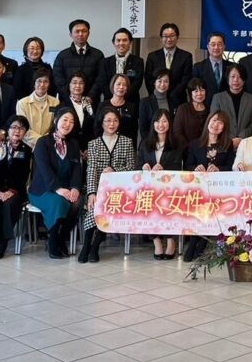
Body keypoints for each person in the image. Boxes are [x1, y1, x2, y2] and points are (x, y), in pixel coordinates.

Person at [80, 108, 136, 263]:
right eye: (108, 121)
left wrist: (114, 170)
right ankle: (86, 245)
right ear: (101, 123)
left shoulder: (126, 141)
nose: (112, 124)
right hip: (99, 189)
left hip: (121, 190)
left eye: (115, 120)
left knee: (107, 207)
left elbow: (132, 167)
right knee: (94, 206)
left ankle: (95, 246)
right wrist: (92, 193)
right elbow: (91, 170)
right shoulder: (94, 144)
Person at [29, 108, 83, 259]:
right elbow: (44, 169)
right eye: (65, 120)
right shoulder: (43, 142)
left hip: (66, 189)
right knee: (59, 202)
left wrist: (75, 188)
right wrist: (58, 188)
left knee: (78, 202)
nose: (68, 124)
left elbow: (76, 169)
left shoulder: (73, 144)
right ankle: (53, 241)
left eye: (72, 122)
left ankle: (62, 238)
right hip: (42, 190)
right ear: (56, 120)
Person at [183, 110, 235, 261]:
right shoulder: (195, 144)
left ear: (224, 127)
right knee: (200, 211)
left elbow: (230, 167)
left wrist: (219, 169)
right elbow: (188, 165)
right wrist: (196, 168)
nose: (216, 124)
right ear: (208, 121)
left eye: (220, 122)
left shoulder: (227, 144)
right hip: (199, 190)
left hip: (219, 191)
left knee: (213, 211)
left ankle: (200, 245)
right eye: (214, 120)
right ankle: (194, 242)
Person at [0, 115, 32, 260]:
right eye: (14, 127)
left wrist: (11, 191)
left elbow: (24, 175)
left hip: (15, 191)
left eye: (21, 128)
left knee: (10, 204)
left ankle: (3, 242)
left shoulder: (26, 150)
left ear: (25, 132)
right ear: (7, 130)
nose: (17, 131)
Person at [138, 109, 183, 260]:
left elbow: (178, 167)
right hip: (149, 187)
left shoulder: (176, 143)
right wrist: (144, 167)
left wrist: (163, 170)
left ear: (170, 124)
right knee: (148, 202)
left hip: (170, 187)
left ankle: (170, 240)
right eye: (157, 121)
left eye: (164, 121)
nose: (161, 124)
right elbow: (138, 164)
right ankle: (156, 241)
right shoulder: (145, 143)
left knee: (169, 203)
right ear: (153, 124)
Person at [53, 19, 105, 100]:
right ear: (70, 34)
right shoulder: (62, 56)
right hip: (67, 101)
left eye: (84, 31)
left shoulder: (98, 55)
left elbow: (101, 78)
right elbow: (58, 80)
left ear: (88, 33)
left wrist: (90, 96)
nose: (80, 34)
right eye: (77, 31)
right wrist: (70, 97)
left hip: (92, 101)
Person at [144, 23, 194, 105]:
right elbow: (148, 79)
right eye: (165, 36)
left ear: (177, 37)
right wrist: (158, 94)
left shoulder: (186, 56)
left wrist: (172, 95)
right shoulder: (152, 56)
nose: (169, 39)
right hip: (156, 99)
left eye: (172, 36)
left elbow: (186, 79)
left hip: (178, 99)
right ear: (161, 38)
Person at [210, 64, 252, 146]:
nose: (236, 80)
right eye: (232, 76)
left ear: (244, 80)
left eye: (239, 77)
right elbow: (214, 121)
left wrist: (241, 138)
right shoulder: (218, 98)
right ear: (227, 79)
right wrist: (231, 139)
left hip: (246, 142)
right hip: (223, 142)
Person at [97, 27, 145, 105]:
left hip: (131, 103)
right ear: (113, 43)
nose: (121, 43)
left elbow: (137, 83)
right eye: (118, 40)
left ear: (130, 42)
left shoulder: (138, 62)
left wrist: (122, 98)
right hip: (110, 102)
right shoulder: (105, 62)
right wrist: (115, 98)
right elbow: (103, 83)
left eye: (125, 40)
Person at [16, 68, 60, 148]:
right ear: (34, 83)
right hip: (27, 145)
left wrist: (47, 141)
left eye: (45, 81)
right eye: (39, 81)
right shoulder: (22, 103)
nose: (42, 84)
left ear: (49, 84)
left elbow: (56, 126)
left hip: (49, 145)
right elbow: (22, 128)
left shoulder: (55, 102)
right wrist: (42, 142)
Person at [191, 32, 234, 106]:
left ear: (224, 46)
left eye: (219, 44)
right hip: (205, 107)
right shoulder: (198, 67)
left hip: (226, 106)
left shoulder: (231, 67)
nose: (216, 47)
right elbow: (194, 90)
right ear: (208, 47)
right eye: (213, 44)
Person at [59, 72, 96, 155]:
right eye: (74, 82)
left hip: (87, 150)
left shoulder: (89, 105)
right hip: (68, 149)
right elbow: (60, 130)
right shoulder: (62, 105)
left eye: (81, 83)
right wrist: (74, 149)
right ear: (69, 85)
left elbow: (93, 128)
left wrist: (88, 148)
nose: (77, 86)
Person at [96, 74, 138, 142]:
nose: (121, 87)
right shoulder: (103, 105)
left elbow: (134, 131)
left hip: (125, 144)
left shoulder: (132, 107)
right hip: (104, 143)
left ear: (127, 88)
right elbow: (97, 128)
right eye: (118, 84)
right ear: (113, 86)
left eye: (124, 85)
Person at [139, 69, 178, 140]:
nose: (162, 84)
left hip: (170, 142)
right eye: (159, 81)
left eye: (166, 81)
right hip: (150, 142)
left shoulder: (174, 101)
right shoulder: (145, 102)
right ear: (154, 82)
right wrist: (154, 143)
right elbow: (143, 129)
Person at [173, 78, 209, 148]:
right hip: (187, 149)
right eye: (196, 91)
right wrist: (189, 148)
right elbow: (177, 132)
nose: (199, 93)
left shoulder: (209, 108)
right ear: (190, 93)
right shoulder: (183, 108)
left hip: (206, 148)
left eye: (202, 90)